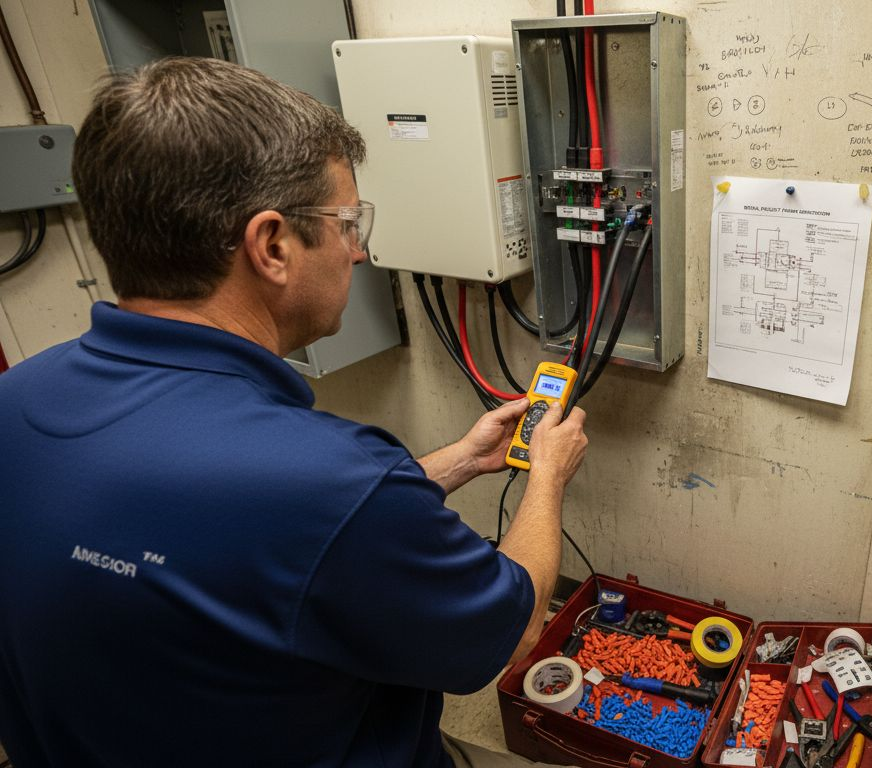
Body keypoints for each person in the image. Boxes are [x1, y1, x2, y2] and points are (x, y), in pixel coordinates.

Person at [0, 56, 587, 767]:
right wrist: (546, 474)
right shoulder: (332, 482)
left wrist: (461, 460)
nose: (360, 250)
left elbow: (258, 550)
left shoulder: (17, 399)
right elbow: (513, 627)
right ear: (273, 245)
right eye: (347, 222)